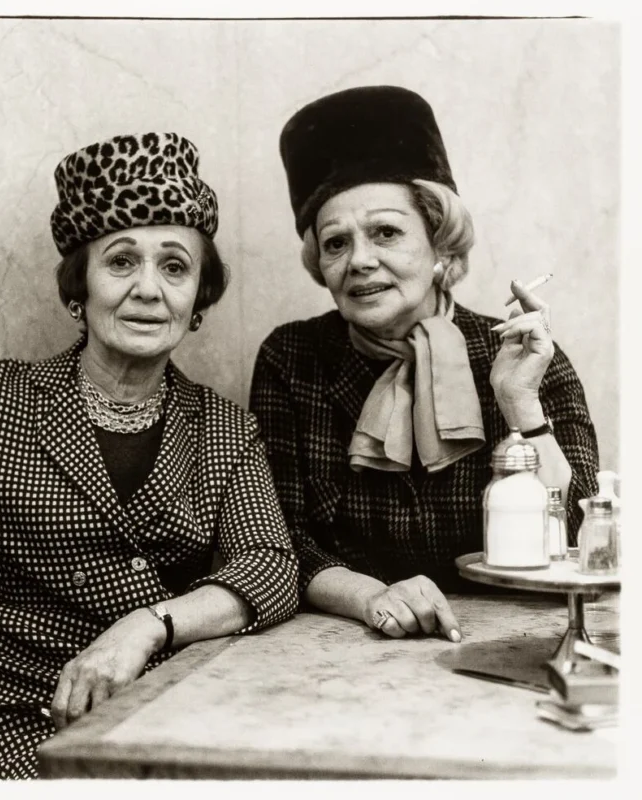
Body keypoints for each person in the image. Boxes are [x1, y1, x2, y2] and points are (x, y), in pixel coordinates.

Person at [0, 132, 299, 780]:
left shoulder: (223, 429)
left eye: (174, 267)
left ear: (197, 298)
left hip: (156, 716)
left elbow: (270, 567)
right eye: (122, 262)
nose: (149, 290)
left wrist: (147, 627)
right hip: (5, 718)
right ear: (80, 287)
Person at [250, 86, 599, 643]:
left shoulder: (521, 354)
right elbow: (278, 539)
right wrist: (372, 597)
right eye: (336, 243)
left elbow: (584, 539)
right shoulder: (293, 359)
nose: (360, 260)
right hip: (347, 638)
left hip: (508, 638)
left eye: (387, 232)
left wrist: (519, 405)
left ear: (440, 246)